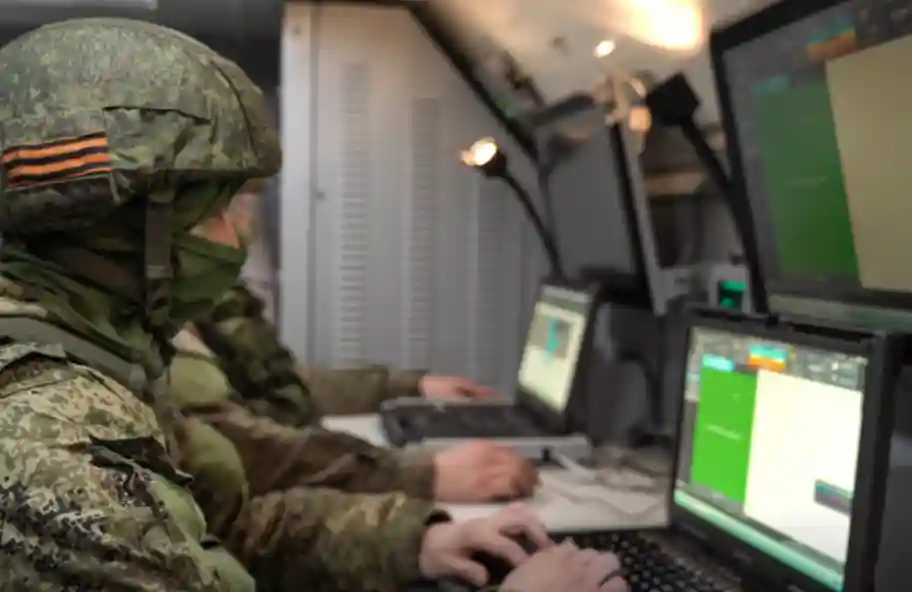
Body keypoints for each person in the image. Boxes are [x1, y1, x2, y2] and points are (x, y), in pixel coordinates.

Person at [0, 17, 627, 592]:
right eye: (213, 212)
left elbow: (234, 532)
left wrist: (415, 541)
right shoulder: (54, 443)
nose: (236, 239)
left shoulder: (108, 355)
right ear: (115, 230)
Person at [167, 181, 536, 504]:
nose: (240, 232)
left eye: (242, 209)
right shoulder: (160, 327)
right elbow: (240, 449)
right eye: (216, 214)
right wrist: (422, 475)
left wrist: (407, 387)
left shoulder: (198, 300)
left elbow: (276, 385)